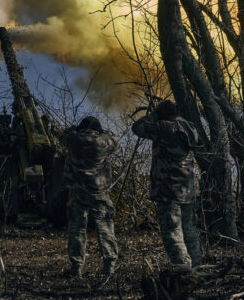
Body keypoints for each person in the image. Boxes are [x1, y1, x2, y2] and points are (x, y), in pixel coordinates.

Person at [132, 100, 202, 273]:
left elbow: (137, 128)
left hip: (167, 189)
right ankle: (198, 267)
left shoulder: (163, 127)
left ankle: (184, 271)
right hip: (187, 188)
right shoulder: (189, 127)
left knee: (172, 232)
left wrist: (153, 115)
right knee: (189, 229)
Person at [62, 116, 120, 279]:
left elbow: (61, 136)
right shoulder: (105, 141)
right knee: (105, 226)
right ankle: (109, 266)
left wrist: (72, 130)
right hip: (99, 191)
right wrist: (104, 133)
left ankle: (77, 267)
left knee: (77, 228)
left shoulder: (73, 139)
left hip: (77, 190)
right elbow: (116, 142)